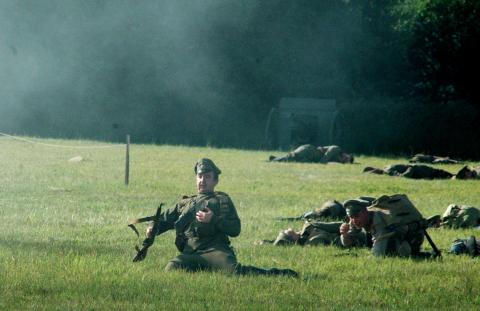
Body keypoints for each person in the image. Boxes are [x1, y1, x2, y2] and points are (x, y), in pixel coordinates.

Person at [133, 158, 297, 277]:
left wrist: (213, 219)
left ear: (215, 180)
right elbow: (165, 220)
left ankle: (278, 274)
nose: (202, 180)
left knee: (234, 272)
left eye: (207, 177)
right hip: (191, 252)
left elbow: (235, 230)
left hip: (216, 250)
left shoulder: (222, 201)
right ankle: (203, 268)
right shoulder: (184, 203)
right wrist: (152, 230)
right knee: (171, 269)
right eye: (200, 176)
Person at [339, 194, 427, 257]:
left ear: (366, 212)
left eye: (357, 216)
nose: (354, 220)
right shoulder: (356, 220)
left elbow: (378, 255)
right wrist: (344, 234)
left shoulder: (381, 222)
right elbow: (348, 243)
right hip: (391, 235)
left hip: (412, 238)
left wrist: (361, 258)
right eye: (351, 217)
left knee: (394, 253)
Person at [269, 144, 354, 164]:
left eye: (346, 161)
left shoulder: (338, 159)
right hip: (308, 150)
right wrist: (322, 162)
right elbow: (326, 157)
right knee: (294, 157)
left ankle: (274, 159)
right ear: (347, 154)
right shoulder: (336, 149)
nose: (345, 159)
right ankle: (274, 160)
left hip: (310, 156)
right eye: (347, 157)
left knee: (293, 159)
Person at [363, 164, 454, 179]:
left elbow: (402, 176)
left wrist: (408, 171)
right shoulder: (387, 166)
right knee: (446, 175)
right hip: (422, 170)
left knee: (450, 177)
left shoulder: (387, 170)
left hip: (421, 171)